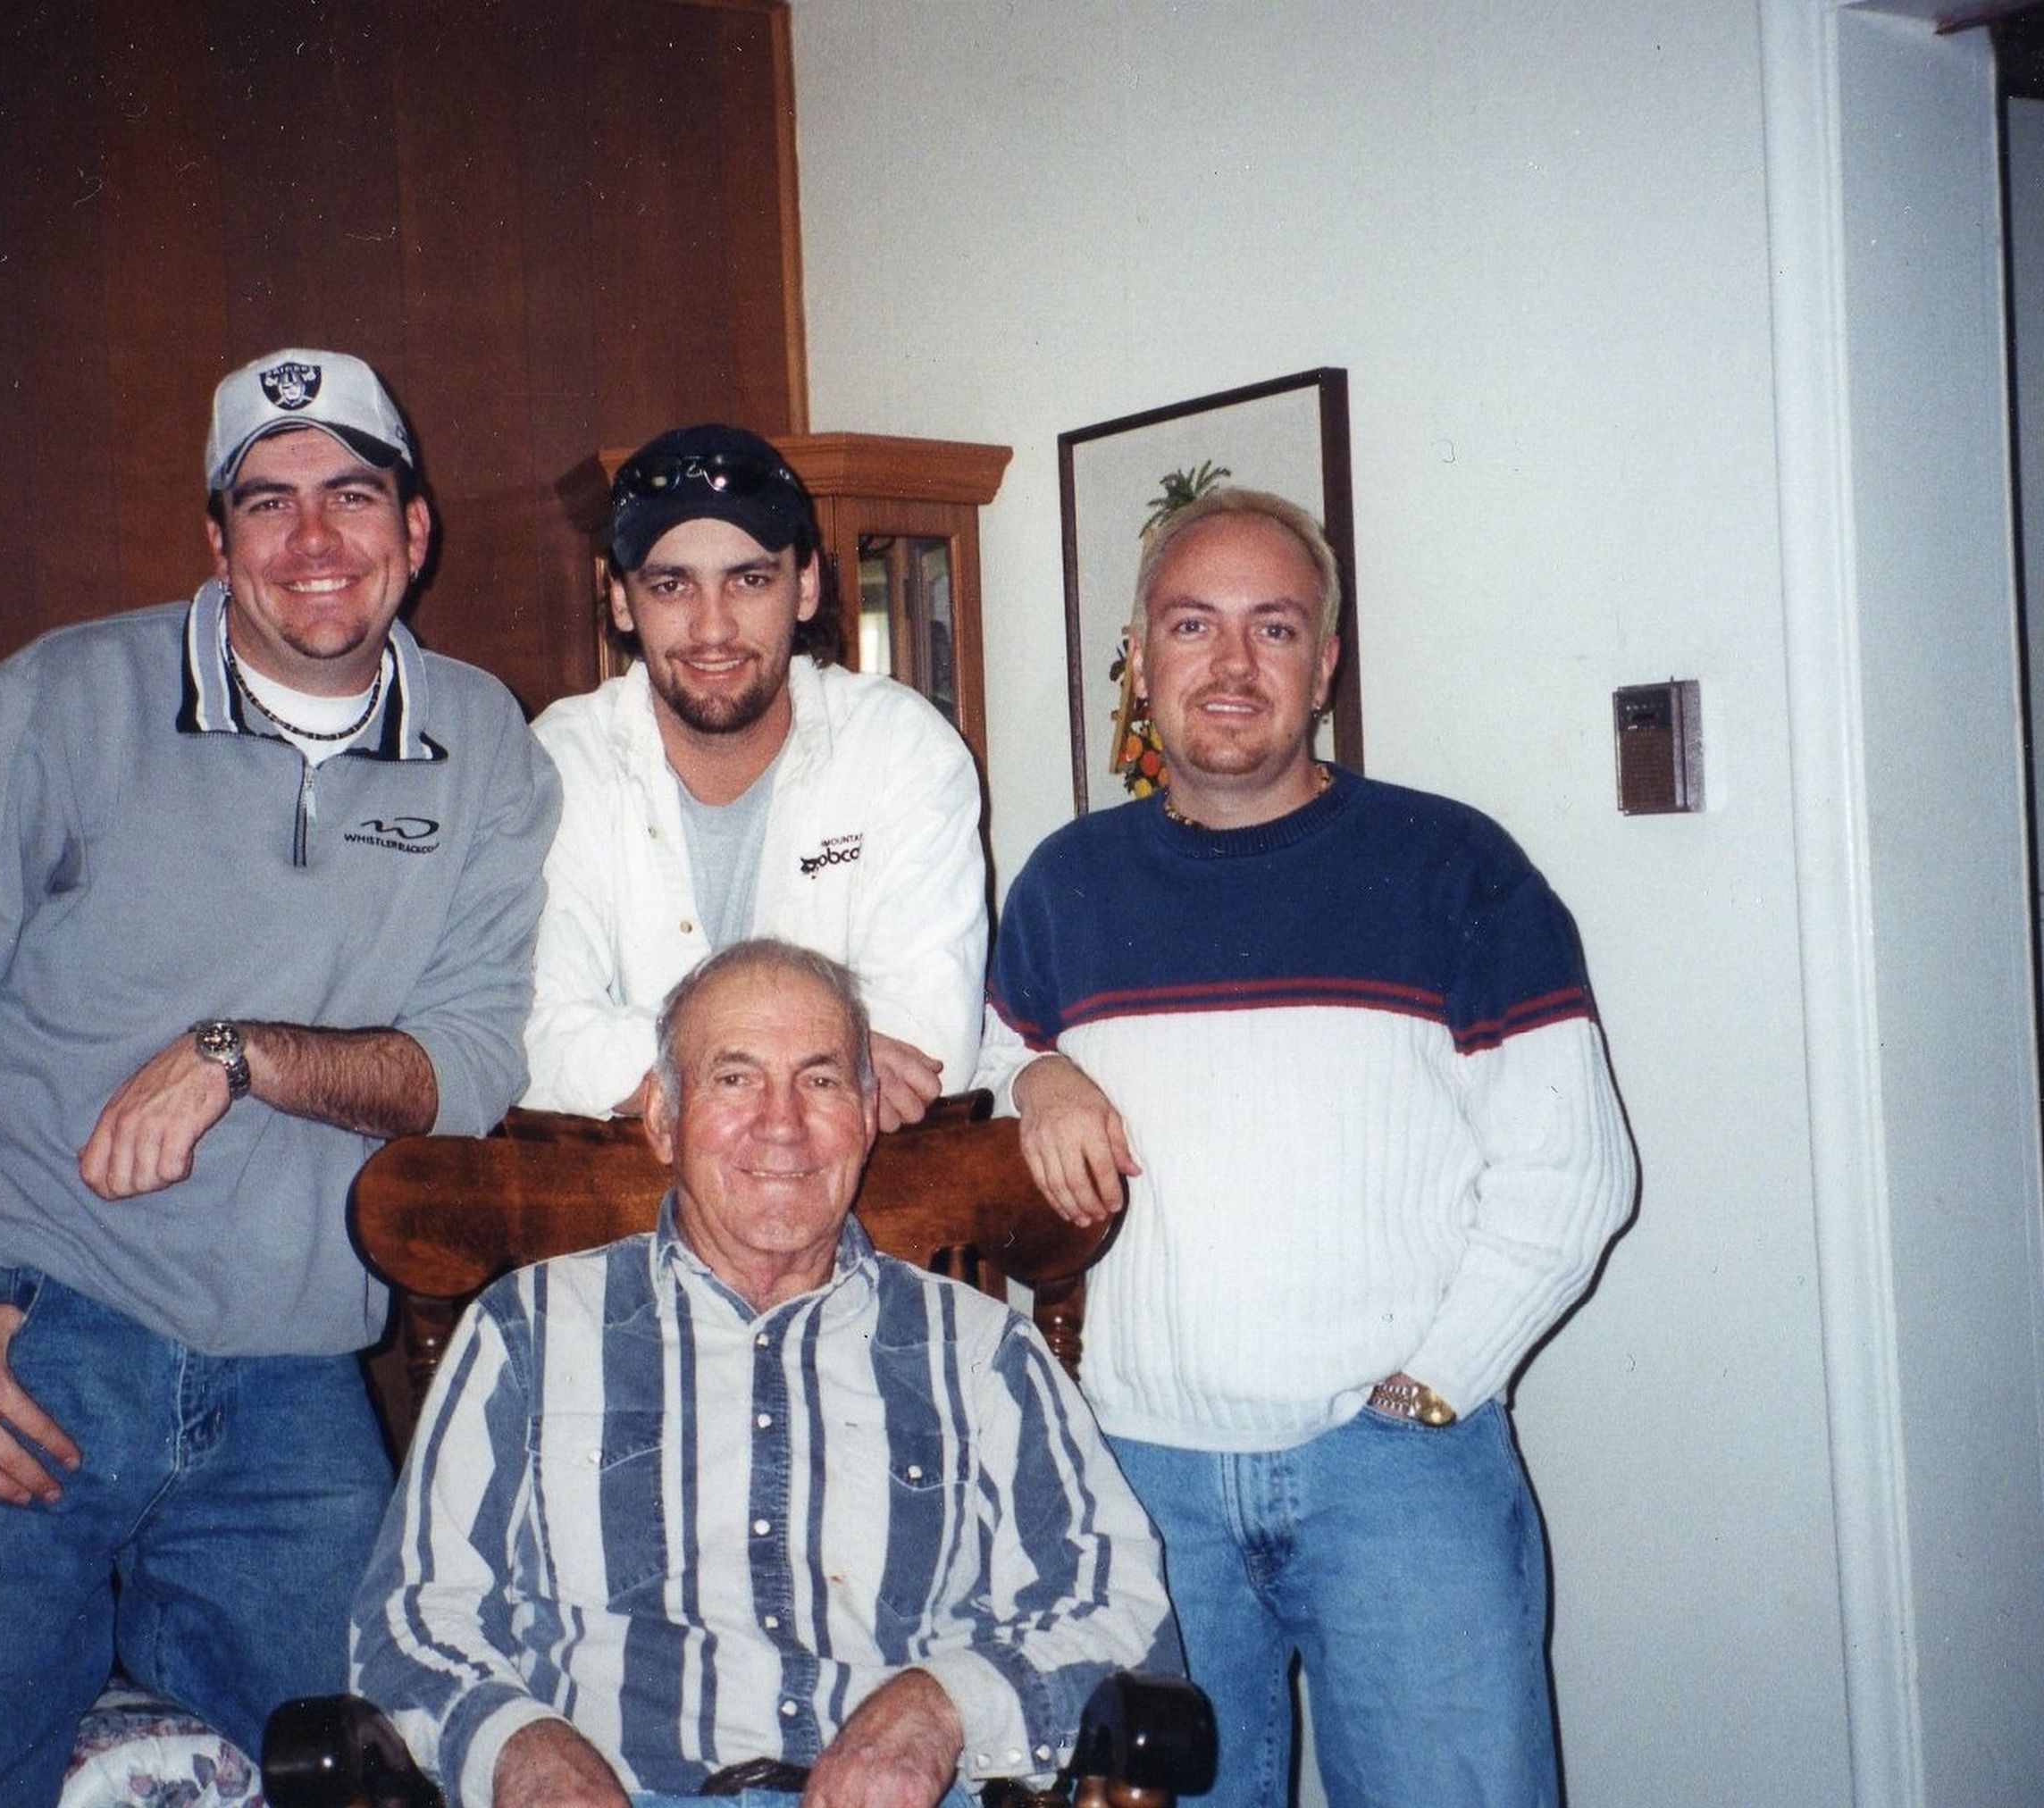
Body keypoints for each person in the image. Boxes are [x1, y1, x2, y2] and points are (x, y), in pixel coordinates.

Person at [0, 347, 560, 1805]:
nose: (314, 540)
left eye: (353, 493)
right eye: (266, 503)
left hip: (289, 1378)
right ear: (217, 544)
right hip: (27, 1336)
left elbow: (465, 1063)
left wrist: (244, 1050)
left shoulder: (486, 746)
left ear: (417, 528)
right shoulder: (60, 700)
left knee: (400, 1768)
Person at [980, 487, 1636, 1806]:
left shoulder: (1456, 867)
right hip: (1138, 1485)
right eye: (1192, 626)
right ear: (1140, 656)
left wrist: (1431, 1388)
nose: (1230, 667)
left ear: (1326, 662)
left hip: (1397, 1476)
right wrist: (1037, 1072)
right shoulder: (1065, 884)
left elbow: (1575, 1174)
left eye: (1273, 629)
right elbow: (990, 1079)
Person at [355, 938, 1177, 1808]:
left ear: (866, 1113)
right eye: (734, 1077)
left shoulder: (981, 1353)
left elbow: (1121, 1614)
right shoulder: (527, 1329)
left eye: (820, 1080)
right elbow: (410, 1620)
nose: (781, 1122)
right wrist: (525, 1751)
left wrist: (938, 1706)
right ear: (663, 1119)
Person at [522, 424, 985, 1131]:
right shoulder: (560, 762)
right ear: (622, 600)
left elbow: (930, 1042)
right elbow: (534, 1042)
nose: (714, 628)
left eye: (749, 579)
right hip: (622, 1204)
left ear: (805, 586)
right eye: (672, 584)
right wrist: (824, 1066)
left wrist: (656, 1069)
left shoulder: (901, 749)